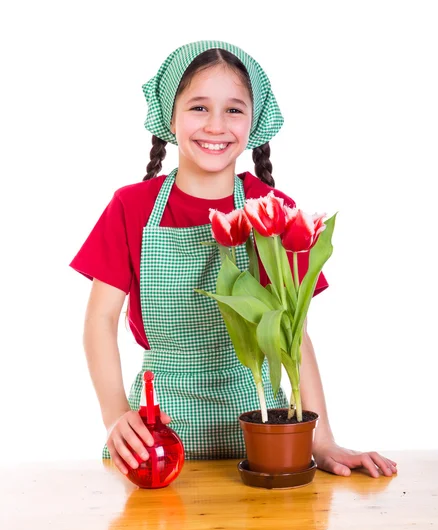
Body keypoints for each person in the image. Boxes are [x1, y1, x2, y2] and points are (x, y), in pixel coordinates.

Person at [70, 40, 397, 479]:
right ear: (170, 114)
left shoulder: (271, 208)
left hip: (266, 438)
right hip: (157, 439)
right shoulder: (131, 207)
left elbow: (294, 334)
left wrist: (321, 441)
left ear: (254, 120)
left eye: (234, 110)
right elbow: (99, 322)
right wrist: (115, 418)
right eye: (199, 108)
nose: (216, 125)